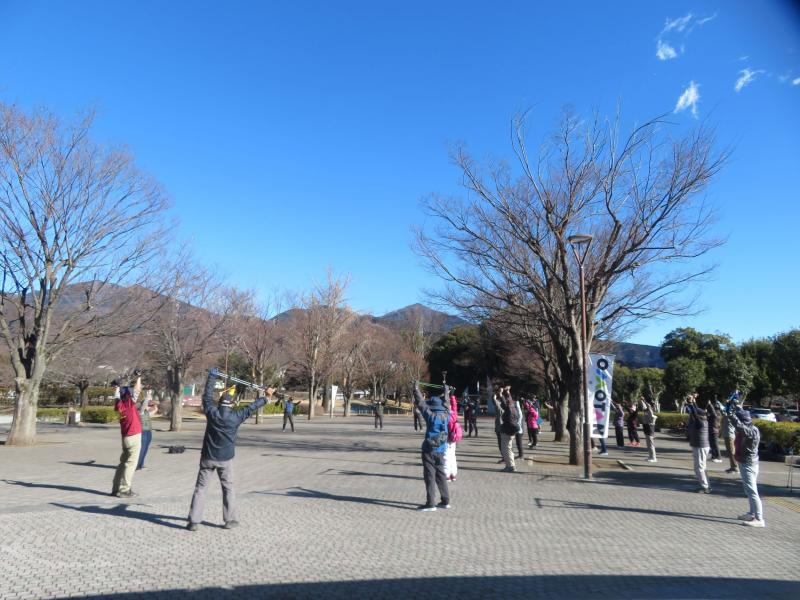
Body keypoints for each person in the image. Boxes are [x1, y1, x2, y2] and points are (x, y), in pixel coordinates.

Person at [187, 370, 272, 531]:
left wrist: (212, 377)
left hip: (207, 457)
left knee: (201, 488)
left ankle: (194, 521)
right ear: (232, 405)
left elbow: (206, 396)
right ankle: (230, 520)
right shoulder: (236, 417)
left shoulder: (212, 413)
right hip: (225, 459)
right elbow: (251, 408)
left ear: (219, 403)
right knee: (228, 488)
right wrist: (266, 398)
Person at [412, 381, 451, 511]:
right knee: (441, 474)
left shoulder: (431, 416)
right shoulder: (446, 414)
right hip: (441, 448)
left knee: (430, 476)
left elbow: (421, 403)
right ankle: (445, 501)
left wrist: (416, 388)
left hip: (429, 449)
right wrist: (446, 392)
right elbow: (447, 404)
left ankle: (431, 504)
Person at [728, 407, 765, 527]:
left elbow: (739, 426)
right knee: (748, 490)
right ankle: (752, 513)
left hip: (748, 463)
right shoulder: (750, 428)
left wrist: (730, 415)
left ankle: (759, 519)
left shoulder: (750, 431)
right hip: (747, 462)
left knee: (752, 491)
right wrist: (735, 406)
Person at [111, 371, 143, 498]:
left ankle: (115, 488)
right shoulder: (129, 404)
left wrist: (117, 387)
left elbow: (117, 396)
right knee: (131, 464)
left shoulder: (119, 405)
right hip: (134, 436)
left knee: (122, 463)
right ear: (128, 396)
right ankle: (124, 489)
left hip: (125, 437)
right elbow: (137, 389)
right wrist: (139, 377)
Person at [686, 394, 711, 493]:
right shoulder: (703, 420)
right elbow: (695, 412)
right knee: (702, 467)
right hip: (702, 446)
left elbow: (695, 414)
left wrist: (691, 403)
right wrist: (693, 401)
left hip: (700, 447)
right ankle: (707, 485)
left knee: (698, 468)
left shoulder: (700, 422)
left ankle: (705, 486)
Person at [495, 386, 521, 473]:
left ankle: (510, 466)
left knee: (505, 449)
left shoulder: (509, 409)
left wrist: (501, 394)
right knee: (509, 448)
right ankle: (510, 464)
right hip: (513, 429)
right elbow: (508, 402)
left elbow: (504, 402)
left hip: (507, 430)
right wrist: (508, 392)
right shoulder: (514, 409)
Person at [718, 394, 739, 474]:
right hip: (727, 435)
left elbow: (727, 409)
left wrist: (729, 403)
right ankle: (732, 466)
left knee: (731, 452)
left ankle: (735, 467)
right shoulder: (728, 413)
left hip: (730, 435)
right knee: (730, 452)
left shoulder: (731, 414)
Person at [443, 394, 462, 482]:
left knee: (446, 457)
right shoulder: (454, 414)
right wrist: (452, 396)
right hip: (453, 439)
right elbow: (455, 405)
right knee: (452, 457)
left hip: (447, 439)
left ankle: (447, 475)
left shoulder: (446, 417)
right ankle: (453, 474)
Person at [136, 390, 156, 470]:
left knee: (145, 449)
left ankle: (141, 464)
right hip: (143, 432)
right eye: (148, 405)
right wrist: (148, 396)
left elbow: (155, 410)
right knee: (142, 449)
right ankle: (136, 465)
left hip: (148, 432)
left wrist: (153, 404)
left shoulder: (147, 413)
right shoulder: (141, 412)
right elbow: (144, 405)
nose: (149, 407)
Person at [640, 398, 658, 463]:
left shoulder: (651, 413)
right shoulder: (646, 411)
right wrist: (642, 401)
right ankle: (650, 456)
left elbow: (648, 406)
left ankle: (654, 457)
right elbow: (644, 407)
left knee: (651, 445)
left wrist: (645, 400)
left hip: (650, 430)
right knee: (648, 445)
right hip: (646, 429)